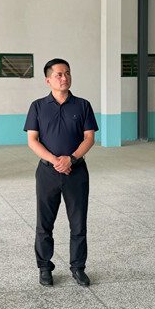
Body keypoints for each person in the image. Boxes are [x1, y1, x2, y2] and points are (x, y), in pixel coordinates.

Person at [24, 59, 98, 287]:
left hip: (76, 172)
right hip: (47, 173)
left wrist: (71, 159)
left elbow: (89, 138)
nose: (64, 78)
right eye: (58, 74)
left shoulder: (83, 105)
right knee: (44, 223)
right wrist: (55, 160)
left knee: (78, 223)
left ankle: (78, 268)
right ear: (48, 80)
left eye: (67, 73)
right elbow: (32, 140)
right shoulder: (37, 106)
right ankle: (44, 267)